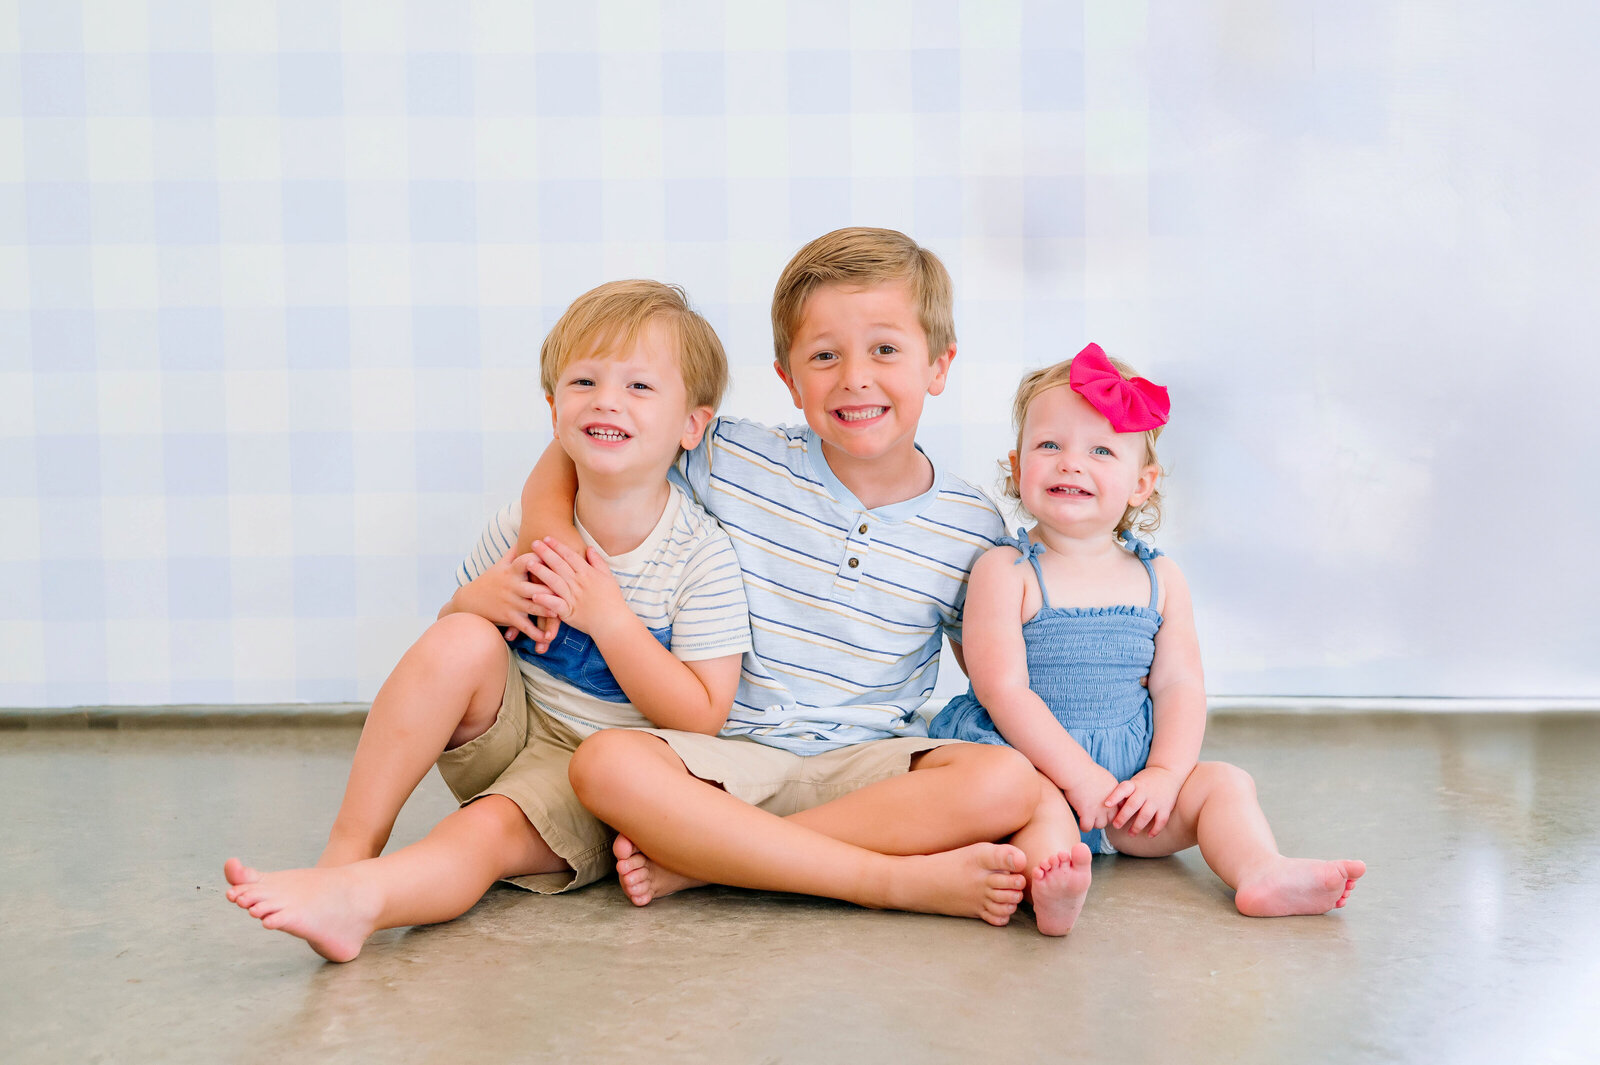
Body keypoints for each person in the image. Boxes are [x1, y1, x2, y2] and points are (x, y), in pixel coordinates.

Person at [521, 228, 1079, 931]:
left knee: (1001, 780)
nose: (854, 377)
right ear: (788, 375)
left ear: (939, 364)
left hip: (871, 766)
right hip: (727, 761)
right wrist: (548, 543)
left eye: (885, 349)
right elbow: (573, 446)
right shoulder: (731, 456)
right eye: (824, 355)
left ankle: (714, 861)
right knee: (606, 763)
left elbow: (995, 672)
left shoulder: (972, 524)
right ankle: (885, 878)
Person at [221, 279, 755, 961]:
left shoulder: (698, 556)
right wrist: (479, 603)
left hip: (599, 775)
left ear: (692, 424)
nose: (606, 400)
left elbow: (703, 715)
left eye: (640, 387)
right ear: (553, 408)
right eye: (584, 380)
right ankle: (347, 850)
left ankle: (365, 901)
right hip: (511, 730)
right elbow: (447, 645)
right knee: (460, 638)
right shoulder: (522, 525)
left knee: (483, 832)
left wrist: (609, 618)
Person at [928, 343, 1366, 932]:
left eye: (1100, 450)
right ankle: (1052, 888)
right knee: (1036, 813)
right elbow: (1002, 690)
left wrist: (1162, 775)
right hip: (1035, 765)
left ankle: (1261, 869)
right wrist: (1078, 777)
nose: (1070, 463)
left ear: (1141, 483)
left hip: (1131, 790)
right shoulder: (1005, 571)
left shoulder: (1159, 578)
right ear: (1015, 466)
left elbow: (1180, 684)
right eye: (1049, 445)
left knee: (1225, 784)